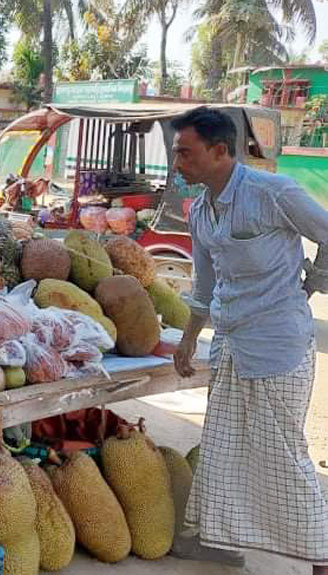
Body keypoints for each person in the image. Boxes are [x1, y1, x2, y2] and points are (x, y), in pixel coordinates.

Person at [172, 107, 328, 572]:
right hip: (231, 347)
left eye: (185, 152)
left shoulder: (271, 193)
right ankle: (221, 541)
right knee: (221, 450)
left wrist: (312, 282)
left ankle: (322, 555)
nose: (177, 162)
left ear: (220, 151)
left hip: (277, 347)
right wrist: (187, 341)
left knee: (283, 456)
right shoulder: (201, 211)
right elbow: (203, 287)